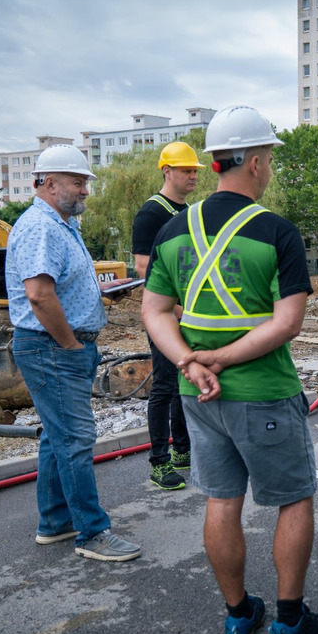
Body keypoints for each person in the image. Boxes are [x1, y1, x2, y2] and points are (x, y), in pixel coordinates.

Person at [141, 105, 318, 634]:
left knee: (222, 501)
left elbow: (154, 311)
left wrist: (189, 361)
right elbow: (287, 322)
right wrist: (224, 359)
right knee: (294, 500)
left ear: (212, 162)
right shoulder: (276, 231)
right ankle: (290, 625)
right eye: (270, 158)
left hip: (196, 395)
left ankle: (237, 618)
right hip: (265, 393)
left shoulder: (172, 229)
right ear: (253, 162)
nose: (270, 167)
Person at [6, 143, 142, 562]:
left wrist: (99, 294)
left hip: (59, 346)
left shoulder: (62, 225)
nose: (85, 190)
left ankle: (55, 522)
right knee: (76, 438)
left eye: (85, 182)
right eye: (78, 182)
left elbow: (60, 286)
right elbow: (39, 296)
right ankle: (92, 533)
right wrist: (69, 343)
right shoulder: (42, 227)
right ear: (49, 183)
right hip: (52, 348)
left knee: (57, 436)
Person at [131, 142, 201, 490]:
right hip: (165, 314)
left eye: (195, 171)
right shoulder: (151, 213)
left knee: (183, 380)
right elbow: (144, 269)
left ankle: (183, 451)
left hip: (184, 311)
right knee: (163, 384)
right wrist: (177, 309)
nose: (193, 176)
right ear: (166, 171)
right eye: (186, 170)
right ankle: (159, 461)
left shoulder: (189, 212)